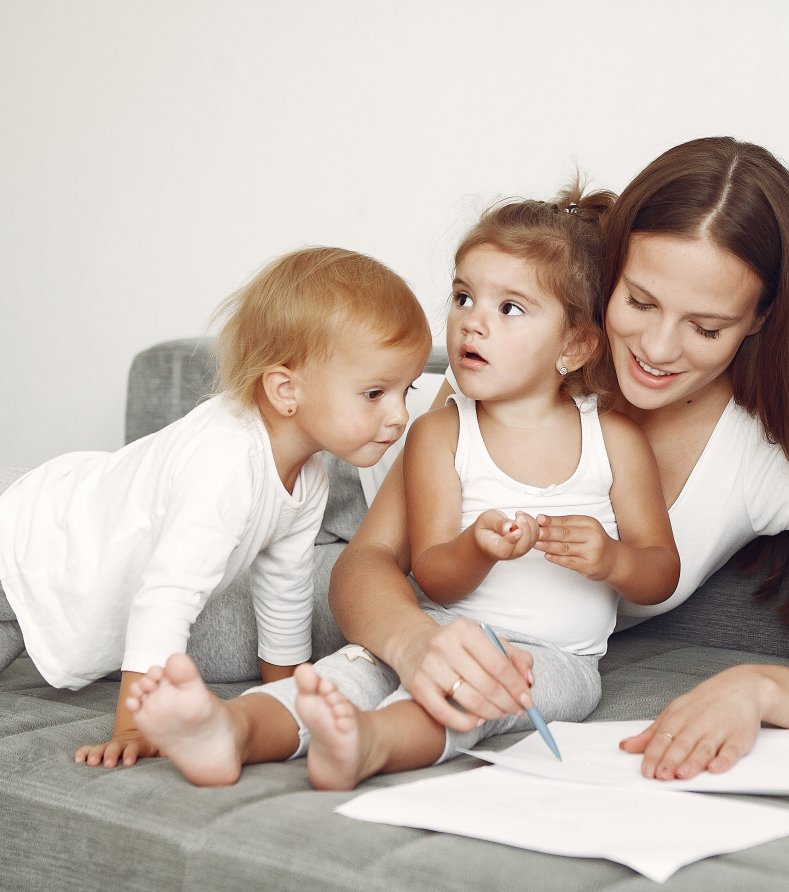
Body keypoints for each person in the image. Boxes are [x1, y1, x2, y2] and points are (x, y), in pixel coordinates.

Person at [328, 137, 789, 784]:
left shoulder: (764, 456)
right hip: (344, 537)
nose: (657, 349)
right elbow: (365, 563)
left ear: (761, 319)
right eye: (639, 302)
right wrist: (413, 645)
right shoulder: (515, 359)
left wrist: (758, 690)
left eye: (706, 328)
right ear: (611, 271)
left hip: (506, 649)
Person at [126, 186, 679, 790]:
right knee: (343, 674)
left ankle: (370, 744)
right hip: (435, 626)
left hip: (558, 660)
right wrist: (477, 548)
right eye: (464, 296)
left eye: (509, 308)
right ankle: (229, 729)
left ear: (574, 346)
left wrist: (612, 556)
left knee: (470, 699)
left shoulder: (614, 440)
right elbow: (434, 575)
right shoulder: (441, 433)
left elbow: (659, 573)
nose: (473, 321)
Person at [0, 246, 431, 769]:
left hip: (45, 571)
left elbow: (284, 596)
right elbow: (168, 596)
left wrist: (291, 701)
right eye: (374, 393)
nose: (400, 416)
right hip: (25, 542)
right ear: (285, 390)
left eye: (405, 391)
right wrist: (138, 725)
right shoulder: (227, 459)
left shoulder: (308, 477)